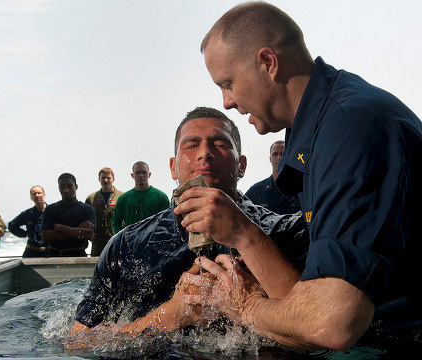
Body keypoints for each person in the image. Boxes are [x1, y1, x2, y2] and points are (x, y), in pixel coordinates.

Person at [178, 1, 422, 351]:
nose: (227, 101)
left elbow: (332, 323)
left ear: (267, 63)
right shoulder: (324, 125)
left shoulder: (351, 130)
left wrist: (245, 305)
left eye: (228, 83)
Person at [70, 106, 308, 335]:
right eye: (192, 145)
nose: (204, 153)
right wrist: (172, 314)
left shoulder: (285, 232)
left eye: (221, 144)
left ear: (241, 165)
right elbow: (79, 340)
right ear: (173, 168)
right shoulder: (126, 247)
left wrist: (254, 301)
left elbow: (320, 321)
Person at [41, 173, 96, 257]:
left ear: (76, 187)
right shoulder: (50, 209)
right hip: (55, 256)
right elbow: (46, 237)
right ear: (59, 188)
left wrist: (61, 228)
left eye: (69, 186)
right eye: (62, 187)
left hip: (79, 255)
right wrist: (78, 230)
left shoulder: (87, 209)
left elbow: (89, 234)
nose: (66, 190)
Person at [111, 161, 169, 234]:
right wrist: (122, 241)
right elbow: (116, 224)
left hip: (154, 242)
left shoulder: (161, 197)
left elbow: (168, 222)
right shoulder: (123, 199)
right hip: (131, 243)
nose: (141, 175)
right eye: (137, 172)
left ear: (149, 174)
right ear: (132, 175)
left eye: (144, 172)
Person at [245, 140, 301, 214]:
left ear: (289, 157)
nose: (279, 157)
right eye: (275, 154)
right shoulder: (256, 192)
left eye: (282, 154)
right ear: (270, 159)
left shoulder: (301, 190)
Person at [85, 168, 123, 257]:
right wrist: (89, 235)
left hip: (117, 241)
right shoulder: (91, 198)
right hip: (98, 243)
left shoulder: (121, 197)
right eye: (103, 178)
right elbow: (86, 220)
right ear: (99, 179)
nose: (106, 180)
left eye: (108, 178)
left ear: (113, 179)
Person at [8, 185, 49, 258]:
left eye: (39, 193)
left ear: (44, 195)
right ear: (31, 198)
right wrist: (25, 234)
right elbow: (11, 225)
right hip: (31, 252)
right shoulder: (27, 214)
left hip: (49, 252)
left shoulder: (52, 212)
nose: (37, 195)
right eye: (34, 194)